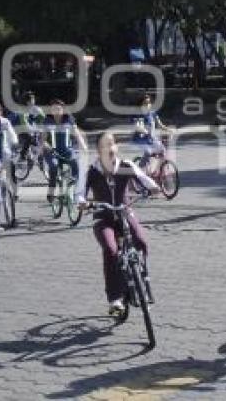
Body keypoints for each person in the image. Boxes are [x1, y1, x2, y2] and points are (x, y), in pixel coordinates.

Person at [78, 132, 159, 316]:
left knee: (141, 241)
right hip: (103, 217)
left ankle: (141, 277)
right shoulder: (91, 171)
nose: (109, 149)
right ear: (98, 151)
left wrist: (153, 187)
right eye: (104, 146)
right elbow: (80, 192)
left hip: (124, 212)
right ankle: (115, 298)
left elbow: (144, 179)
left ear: (117, 147)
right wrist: (82, 202)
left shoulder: (126, 165)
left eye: (111, 144)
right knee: (111, 250)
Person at [42, 99, 87, 203]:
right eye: (54, 109)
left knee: (75, 162)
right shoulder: (47, 120)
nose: (56, 111)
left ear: (63, 110)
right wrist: (46, 146)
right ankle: (51, 190)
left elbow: (77, 134)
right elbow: (43, 140)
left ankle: (75, 187)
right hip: (52, 151)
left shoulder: (69, 119)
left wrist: (83, 146)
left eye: (58, 109)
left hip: (67, 150)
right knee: (53, 166)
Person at [133, 94, 172, 167]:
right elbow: (137, 126)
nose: (147, 105)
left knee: (163, 150)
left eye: (149, 103)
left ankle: (159, 171)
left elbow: (160, 124)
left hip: (151, 138)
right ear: (141, 104)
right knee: (148, 152)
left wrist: (168, 129)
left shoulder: (152, 113)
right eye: (145, 103)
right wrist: (144, 130)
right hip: (140, 138)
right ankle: (139, 171)